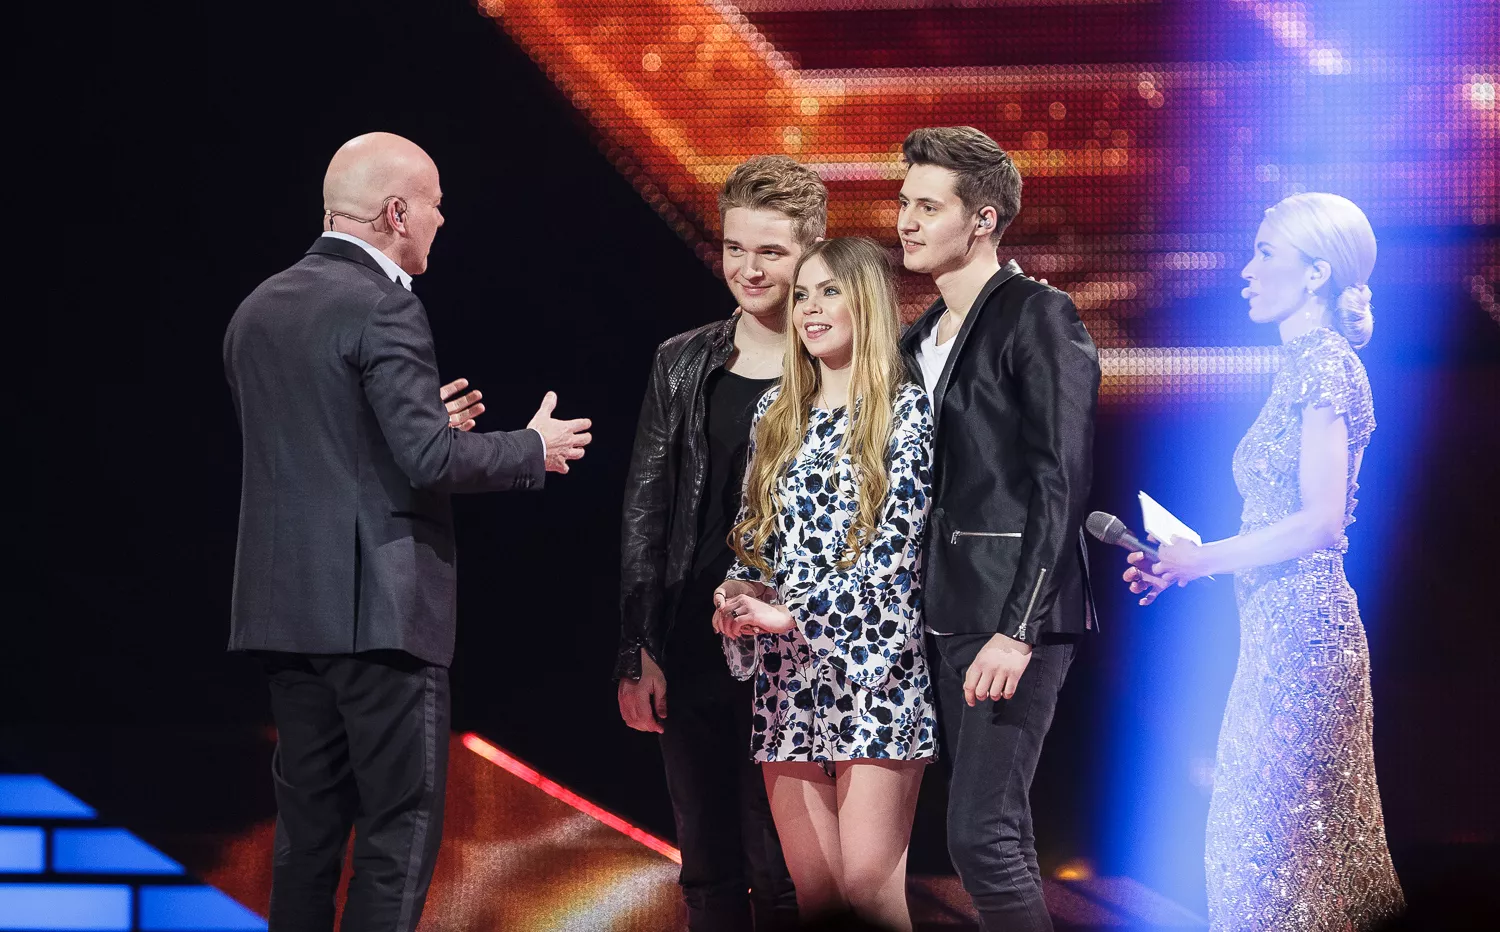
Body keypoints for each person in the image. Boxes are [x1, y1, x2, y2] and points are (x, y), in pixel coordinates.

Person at [223, 132, 592, 932]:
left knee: (307, 835)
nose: (441, 221)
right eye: (433, 205)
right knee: (399, 828)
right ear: (395, 213)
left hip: (285, 618)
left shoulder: (258, 308)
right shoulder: (384, 303)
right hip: (379, 618)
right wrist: (532, 448)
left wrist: (428, 426)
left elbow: (328, 447)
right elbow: (426, 460)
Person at [1123, 192, 1405, 930]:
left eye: (1265, 253)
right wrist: (1186, 560)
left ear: (1316, 274)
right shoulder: (1303, 366)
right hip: (1275, 635)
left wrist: (1203, 558)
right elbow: (1280, 520)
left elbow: (1319, 522)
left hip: (1305, 642)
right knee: (1274, 861)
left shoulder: (1325, 367)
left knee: (1276, 862)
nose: (1246, 271)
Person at [894, 126, 1099, 932]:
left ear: (982, 220)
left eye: (927, 206)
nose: (906, 221)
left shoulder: (1037, 316)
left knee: (982, 838)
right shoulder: (919, 337)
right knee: (990, 834)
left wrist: (1018, 630)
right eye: (904, 202)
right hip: (941, 612)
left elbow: (1061, 478)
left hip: (1011, 618)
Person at [616, 155, 826, 930]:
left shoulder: (840, 361)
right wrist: (638, 647)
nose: (748, 268)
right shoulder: (682, 361)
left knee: (784, 871)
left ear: (811, 251)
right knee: (705, 869)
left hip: (799, 648)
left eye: (770, 251)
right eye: (736, 247)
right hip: (694, 643)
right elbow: (647, 512)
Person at [713, 237, 938, 932]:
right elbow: (756, 538)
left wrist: (796, 615)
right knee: (818, 900)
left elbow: (896, 554)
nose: (810, 309)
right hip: (788, 680)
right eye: (803, 295)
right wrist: (742, 595)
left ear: (865, 302)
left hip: (874, 669)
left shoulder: (904, 410)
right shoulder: (776, 413)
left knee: (869, 891)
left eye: (829, 292)